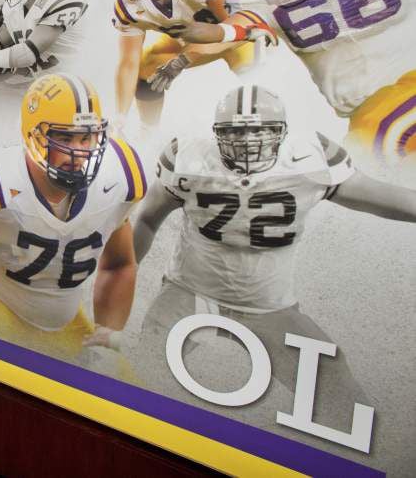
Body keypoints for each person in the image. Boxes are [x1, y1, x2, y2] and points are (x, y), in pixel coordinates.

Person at [133, 85, 416, 427]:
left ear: (282, 132)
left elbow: (384, 198)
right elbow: (148, 219)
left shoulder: (310, 160)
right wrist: (124, 270)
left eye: (260, 130)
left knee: (340, 395)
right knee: (140, 378)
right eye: (236, 131)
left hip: (268, 305)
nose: (249, 141)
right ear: (217, 134)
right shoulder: (188, 159)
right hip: (191, 292)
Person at [158, 0, 416, 162]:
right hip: (366, 111)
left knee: (381, 139)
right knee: (363, 163)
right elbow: (241, 28)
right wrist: (211, 33)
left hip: (407, 81)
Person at [0, 73, 144, 365]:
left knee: (118, 382)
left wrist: (108, 333)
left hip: (65, 320)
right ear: (33, 135)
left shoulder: (118, 177)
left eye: (87, 137)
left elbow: (120, 265)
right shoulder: (0, 180)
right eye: (65, 138)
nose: (80, 151)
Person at [111, 0, 268, 134]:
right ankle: (149, 134)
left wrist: (185, 58)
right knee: (147, 65)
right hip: (193, 40)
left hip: (240, 35)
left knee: (258, 83)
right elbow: (128, 63)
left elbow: (237, 26)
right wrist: (120, 116)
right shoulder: (127, 4)